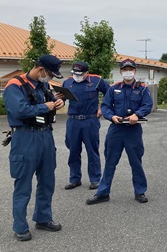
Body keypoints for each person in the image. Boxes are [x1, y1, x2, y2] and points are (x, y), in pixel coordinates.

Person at [3, 54, 65, 241]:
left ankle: (43, 218)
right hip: (25, 136)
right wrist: (45, 107)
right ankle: (20, 226)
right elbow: (19, 110)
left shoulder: (43, 85)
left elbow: (50, 102)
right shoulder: (15, 85)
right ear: (40, 70)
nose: (51, 79)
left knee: (47, 180)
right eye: (50, 74)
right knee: (23, 183)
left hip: (45, 135)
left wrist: (58, 103)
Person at [86, 59, 153, 205]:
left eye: (131, 69)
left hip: (133, 129)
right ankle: (103, 193)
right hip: (116, 129)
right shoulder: (113, 88)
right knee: (110, 161)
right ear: (121, 72)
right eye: (125, 69)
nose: (128, 72)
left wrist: (137, 114)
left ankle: (140, 191)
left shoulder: (142, 89)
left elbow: (148, 105)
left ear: (134, 71)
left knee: (136, 162)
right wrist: (111, 116)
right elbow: (105, 106)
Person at [61, 62, 110, 190]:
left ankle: (95, 179)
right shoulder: (67, 82)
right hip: (73, 121)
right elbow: (62, 99)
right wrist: (58, 101)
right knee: (73, 151)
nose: (77, 76)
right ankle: (74, 178)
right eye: (75, 74)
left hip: (90, 120)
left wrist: (103, 108)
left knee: (92, 151)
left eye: (80, 74)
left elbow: (110, 94)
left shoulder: (96, 80)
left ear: (86, 73)